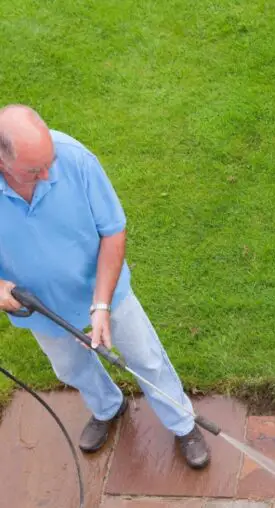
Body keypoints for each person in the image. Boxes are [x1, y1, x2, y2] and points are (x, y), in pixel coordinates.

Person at [0, 104, 210, 469]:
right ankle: (108, 408)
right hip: (39, 306)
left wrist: (101, 305)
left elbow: (112, 231)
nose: (49, 173)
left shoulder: (75, 160)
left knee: (145, 358)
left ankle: (183, 423)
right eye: (35, 170)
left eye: (49, 159)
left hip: (101, 288)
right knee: (71, 369)